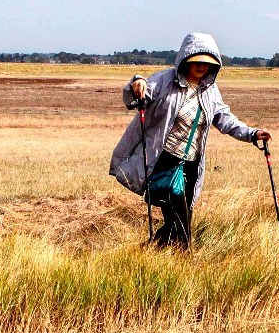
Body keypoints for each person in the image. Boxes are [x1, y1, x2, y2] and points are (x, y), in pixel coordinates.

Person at [109, 32, 270, 247]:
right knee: (181, 224)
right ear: (186, 59)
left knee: (181, 220)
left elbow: (225, 120)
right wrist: (136, 83)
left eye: (207, 62)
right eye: (197, 60)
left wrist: (252, 133)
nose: (202, 66)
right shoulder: (165, 80)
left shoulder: (210, 91)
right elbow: (138, 94)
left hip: (193, 164)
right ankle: (186, 260)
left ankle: (146, 251)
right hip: (165, 160)